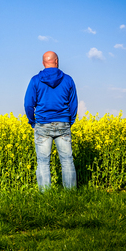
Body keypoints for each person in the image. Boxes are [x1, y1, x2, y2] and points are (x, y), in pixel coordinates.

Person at [24, 51, 78, 191]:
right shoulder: (68, 80)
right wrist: (68, 121)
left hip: (42, 123)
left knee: (43, 162)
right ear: (57, 61)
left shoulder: (35, 80)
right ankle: (71, 193)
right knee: (67, 160)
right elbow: (73, 104)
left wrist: (33, 122)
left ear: (43, 63)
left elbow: (28, 104)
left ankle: (45, 194)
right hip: (63, 123)